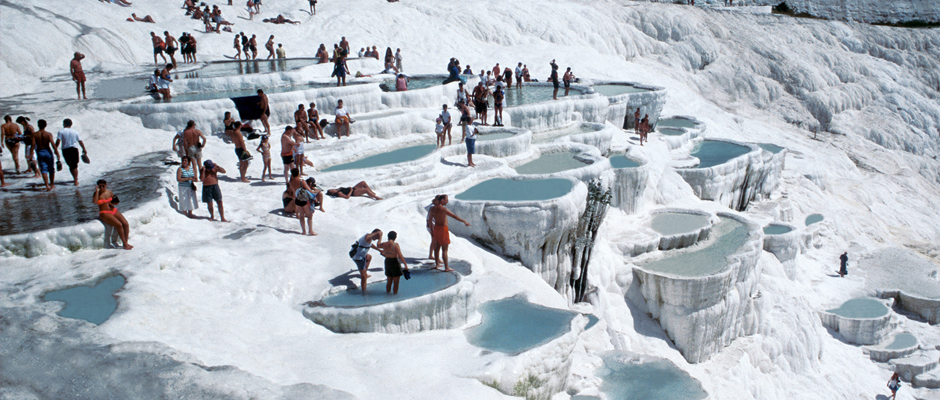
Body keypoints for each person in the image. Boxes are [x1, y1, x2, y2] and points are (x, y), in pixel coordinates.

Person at [428, 194, 470, 271]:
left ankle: (437, 264)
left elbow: (430, 220)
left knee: (437, 248)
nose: (447, 201)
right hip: (443, 229)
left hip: (436, 228)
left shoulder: (432, 209)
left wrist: (432, 230)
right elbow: (454, 216)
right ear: (442, 200)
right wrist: (464, 221)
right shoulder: (444, 209)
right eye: (446, 200)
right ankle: (446, 267)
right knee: (444, 249)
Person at [94, 179, 133, 250]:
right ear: (98, 186)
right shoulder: (97, 194)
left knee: (125, 224)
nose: (102, 187)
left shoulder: (109, 192)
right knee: (119, 225)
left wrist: (114, 202)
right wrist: (97, 191)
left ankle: (126, 242)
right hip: (104, 212)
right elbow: (95, 202)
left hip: (113, 210)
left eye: (103, 186)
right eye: (100, 186)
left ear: (105, 185)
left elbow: (114, 202)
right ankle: (124, 244)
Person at [55, 119, 87, 186]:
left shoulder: (61, 131)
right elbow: (80, 141)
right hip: (74, 149)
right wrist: (84, 149)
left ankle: (75, 180)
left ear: (64, 124)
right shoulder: (75, 132)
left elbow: (58, 141)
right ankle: (75, 179)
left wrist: (55, 148)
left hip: (66, 150)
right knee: (74, 165)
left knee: (71, 165)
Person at [288, 168, 317, 235]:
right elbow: (309, 190)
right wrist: (315, 192)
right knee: (309, 215)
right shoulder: (301, 181)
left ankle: (303, 231)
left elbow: (294, 192)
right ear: (298, 173)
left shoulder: (291, 182)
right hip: (305, 200)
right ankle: (310, 230)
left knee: (301, 216)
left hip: (298, 200)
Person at [33, 120, 58, 190]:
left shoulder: (35, 134)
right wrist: (57, 152)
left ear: (38, 125)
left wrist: (31, 153)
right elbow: (53, 144)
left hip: (40, 152)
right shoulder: (48, 134)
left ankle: (47, 186)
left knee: (43, 169)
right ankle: (52, 184)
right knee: (51, 168)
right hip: (48, 151)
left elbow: (32, 144)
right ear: (45, 125)